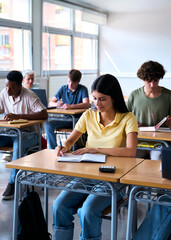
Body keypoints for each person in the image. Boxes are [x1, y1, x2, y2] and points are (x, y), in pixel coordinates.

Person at [53, 74, 138, 240]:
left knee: (87, 211)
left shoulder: (128, 118)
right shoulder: (88, 115)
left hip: (115, 179)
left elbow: (130, 151)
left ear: (114, 98)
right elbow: (71, 139)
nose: (97, 104)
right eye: (94, 98)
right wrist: (63, 147)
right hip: (88, 174)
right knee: (59, 206)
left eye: (102, 99)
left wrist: (96, 149)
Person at [0, 70, 48, 200]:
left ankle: (12, 183)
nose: (8, 90)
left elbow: (44, 114)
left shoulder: (30, 96)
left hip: (30, 134)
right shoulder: (5, 93)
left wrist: (19, 116)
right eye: (6, 86)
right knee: (15, 138)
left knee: (19, 141)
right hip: (10, 133)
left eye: (12, 88)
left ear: (20, 86)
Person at [127, 60, 171, 160]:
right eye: (149, 81)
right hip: (138, 140)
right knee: (132, 160)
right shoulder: (134, 95)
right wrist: (132, 123)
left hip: (161, 142)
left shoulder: (169, 96)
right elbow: (125, 118)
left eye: (155, 80)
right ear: (142, 79)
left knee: (158, 159)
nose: (152, 85)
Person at [45, 69, 90, 149]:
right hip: (66, 119)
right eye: (69, 81)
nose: (70, 85)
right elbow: (50, 103)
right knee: (49, 125)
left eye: (73, 83)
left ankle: (73, 150)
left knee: (76, 125)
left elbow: (87, 104)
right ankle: (52, 149)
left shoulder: (83, 89)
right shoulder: (63, 88)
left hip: (78, 120)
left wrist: (71, 106)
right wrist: (57, 104)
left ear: (78, 81)